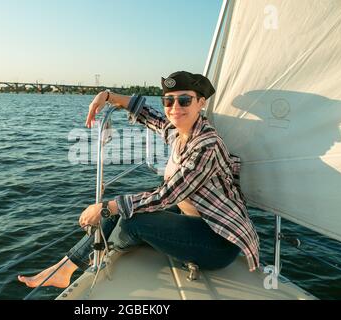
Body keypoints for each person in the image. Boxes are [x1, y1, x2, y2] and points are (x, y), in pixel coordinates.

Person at [18, 71, 260, 289]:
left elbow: (167, 195)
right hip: (197, 221)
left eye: (184, 100)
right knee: (124, 209)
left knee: (129, 217)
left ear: (200, 103)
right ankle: (70, 265)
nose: (175, 107)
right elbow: (147, 115)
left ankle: (94, 252)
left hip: (217, 242)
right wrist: (107, 95)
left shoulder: (207, 144)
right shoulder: (181, 133)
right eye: (169, 100)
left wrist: (105, 207)